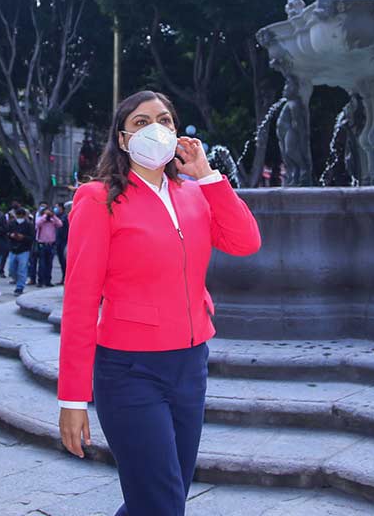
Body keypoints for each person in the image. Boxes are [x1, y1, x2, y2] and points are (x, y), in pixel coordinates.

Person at [58, 90, 261, 516]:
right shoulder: (98, 199)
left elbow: (247, 241)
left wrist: (208, 176)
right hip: (130, 371)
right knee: (162, 503)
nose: (156, 128)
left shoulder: (194, 193)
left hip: (190, 365)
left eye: (165, 120)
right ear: (123, 137)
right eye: (141, 121)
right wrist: (72, 400)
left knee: (160, 498)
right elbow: (79, 302)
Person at [34, 205, 62, 287]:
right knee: (41, 263)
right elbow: (37, 224)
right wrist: (45, 216)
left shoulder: (53, 220)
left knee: (49, 264)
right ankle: (40, 281)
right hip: (42, 243)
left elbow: (60, 224)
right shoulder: (41, 219)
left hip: (51, 244)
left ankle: (48, 280)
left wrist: (53, 216)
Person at [54, 201, 70, 285]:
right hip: (59, 242)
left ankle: (65, 278)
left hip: (65, 242)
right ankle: (63, 277)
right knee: (61, 261)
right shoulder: (58, 217)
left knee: (65, 262)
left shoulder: (65, 217)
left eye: (57, 207)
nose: (56, 209)